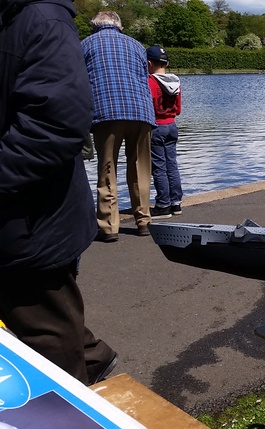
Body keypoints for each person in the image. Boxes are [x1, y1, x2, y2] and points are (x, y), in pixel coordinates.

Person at [0, 0, 117, 385]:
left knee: (47, 329)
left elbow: (57, 124)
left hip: (34, 216)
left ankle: (76, 409)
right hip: (130, 120)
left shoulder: (42, 18)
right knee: (51, 315)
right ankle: (94, 363)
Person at [83, 11, 156, 242]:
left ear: (95, 27)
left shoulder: (85, 44)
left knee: (107, 169)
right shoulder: (136, 45)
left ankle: (108, 227)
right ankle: (144, 221)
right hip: (141, 110)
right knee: (140, 169)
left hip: (106, 112)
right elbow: (144, 74)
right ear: (120, 26)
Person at [146, 46, 184, 219]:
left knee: (159, 167)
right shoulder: (175, 82)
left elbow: (148, 106)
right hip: (172, 125)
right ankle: (176, 203)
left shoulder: (149, 82)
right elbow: (178, 110)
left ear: (148, 63)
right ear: (167, 63)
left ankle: (163, 205)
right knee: (172, 165)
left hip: (157, 126)